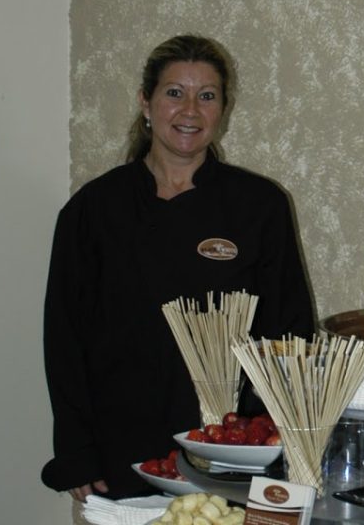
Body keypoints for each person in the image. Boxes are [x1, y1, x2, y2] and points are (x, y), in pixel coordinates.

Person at [41, 34, 315, 504]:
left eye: (206, 96)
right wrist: (76, 451)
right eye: (174, 93)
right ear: (145, 103)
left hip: (231, 451)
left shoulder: (259, 207)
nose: (190, 110)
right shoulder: (93, 210)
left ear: (222, 110)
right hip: (119, 452)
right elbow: (65, 339)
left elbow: (290, 337)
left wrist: (275, 442)